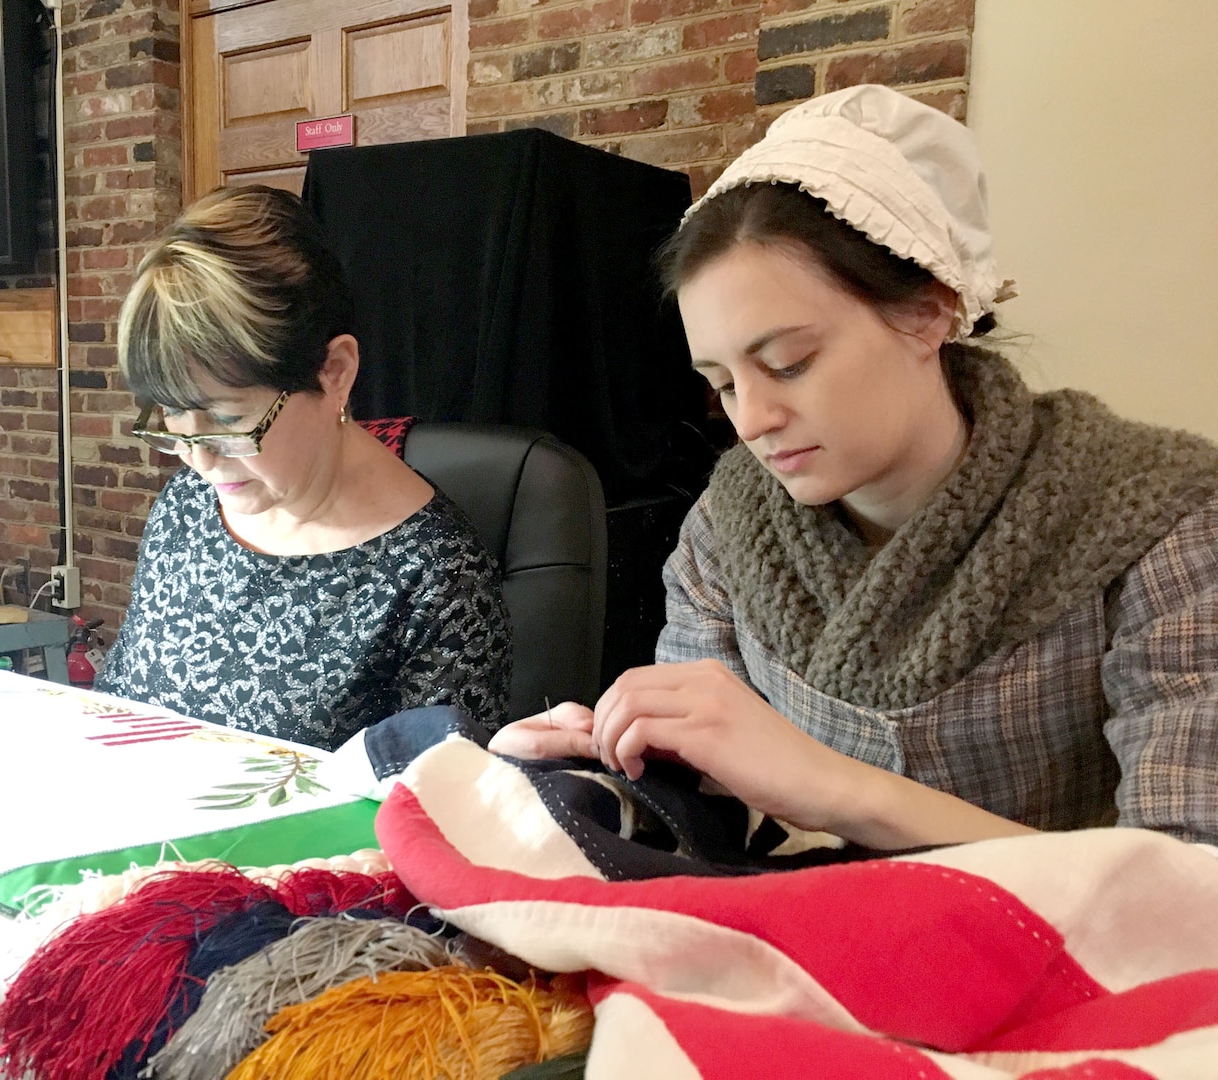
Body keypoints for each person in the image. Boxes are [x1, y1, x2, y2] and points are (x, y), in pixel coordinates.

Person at [491, 85, 1218, 848]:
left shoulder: (1157, 521)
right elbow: (705, 811)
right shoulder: (728, 527)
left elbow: (1189, 885)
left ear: (929, 310)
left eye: (790, 363)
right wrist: (594, 769)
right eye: (724, 384)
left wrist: (836, 791)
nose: (754, 421)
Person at [97, 185, 512, 750]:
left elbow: (436, 807)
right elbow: (121, 704)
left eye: (227, 417)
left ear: (334, 372)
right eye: (171, 413)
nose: (197, 457)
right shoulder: (186, 507)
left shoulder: (436, 576)